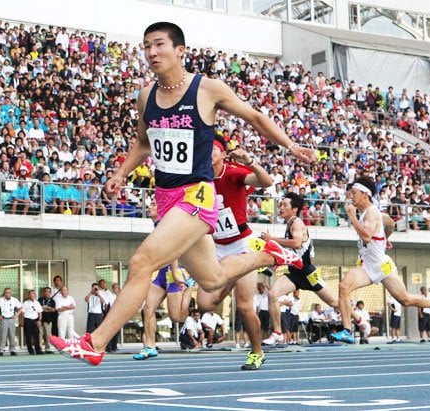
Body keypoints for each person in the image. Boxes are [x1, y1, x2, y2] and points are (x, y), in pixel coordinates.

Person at [50, 21, 313, 365]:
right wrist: (120, 173)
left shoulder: (207, 90)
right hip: (166, 198)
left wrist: (290, 145)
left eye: (159, 44)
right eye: (146, 46)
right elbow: (144, 143)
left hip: (197, 197)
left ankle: (94, 343)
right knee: (213, 279)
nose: (151, 52)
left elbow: (255, 117)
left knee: (141, 262)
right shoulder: (146, 96)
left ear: (180, 50)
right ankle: (270, 255)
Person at [196, 135, 272, 370]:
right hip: (216, 245)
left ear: (222, 154)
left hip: (241, 244)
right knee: (205, 303)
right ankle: (229, 278)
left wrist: (250, 161)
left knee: (244, 306)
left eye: (213, 150)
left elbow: (266, 181)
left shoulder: (234, 173)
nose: (208, 154)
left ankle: (257, 352)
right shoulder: (198, 177)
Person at [331, 177, 430, 344]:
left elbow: (366, 237)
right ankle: (346, 330)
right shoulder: (372, 213)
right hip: (367, 266)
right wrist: (384, 238)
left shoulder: (372, 212)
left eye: (354, 193)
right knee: (343, 287)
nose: (351, 196)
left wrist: (352, 217)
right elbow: (390, 223)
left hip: (381, 265)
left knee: (405, 299)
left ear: (365, 194)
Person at [261, 192, 339, 346]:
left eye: (284, 205)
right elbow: (293, 251)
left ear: (294, 209)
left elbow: (296, 243)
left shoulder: (297, 223)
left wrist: (273, 240)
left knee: (333, 302)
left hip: (308, 273)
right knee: (272, 294)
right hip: (294, 273)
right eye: (281, 204)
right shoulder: (289, 224)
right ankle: (277, 333)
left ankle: (358, 318)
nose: (281, 207)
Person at [132, 201, 195, 361]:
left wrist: (174, 271)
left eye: (153, 204)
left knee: (176, 318)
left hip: (173, 273)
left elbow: (173, 247)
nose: (149, 206)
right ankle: (150, 346)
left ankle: (190, 285)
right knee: (148, 309)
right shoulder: (156, 225)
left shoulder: (163, 222)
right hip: (161, 274)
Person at [0, 288, 22, 356]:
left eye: (9, 293)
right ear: (4, 293)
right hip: (4, 319)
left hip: (11, 319)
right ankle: (1, 350)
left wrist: (16, 315)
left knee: (12, 335)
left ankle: (12, 350)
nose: (8, 294)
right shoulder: (0, 300)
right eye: (6, 293)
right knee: (3, 335)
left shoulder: (14, 300)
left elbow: (20, 308)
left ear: (11, 293)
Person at [21, 290, 43, 355]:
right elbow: (22, 313)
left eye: (33, 294)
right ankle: (30, 350)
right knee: (28, 336)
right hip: (27, 320)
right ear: (28, 295)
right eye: (30, 294)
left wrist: (39, 320)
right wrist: (22, 322)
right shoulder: (25, 303)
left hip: (35, 320)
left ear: (35, 295)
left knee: (36, 336)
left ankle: (38, 350)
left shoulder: (37, 303)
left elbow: (40, 312)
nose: (32, 295)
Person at [38, 287, 56, 353]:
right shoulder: (40, 299)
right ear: (44, 292)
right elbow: (39, 309)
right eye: (46, 291)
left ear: (50, 293)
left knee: (48, 335)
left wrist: (47, 307)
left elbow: (53, 310)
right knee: (40, 335)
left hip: (48, 320)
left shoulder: (52, 301)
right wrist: (47, 309)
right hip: (40, 320)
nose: (47, 293)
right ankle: (39, 349)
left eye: (48, 292)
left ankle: (48, 349)